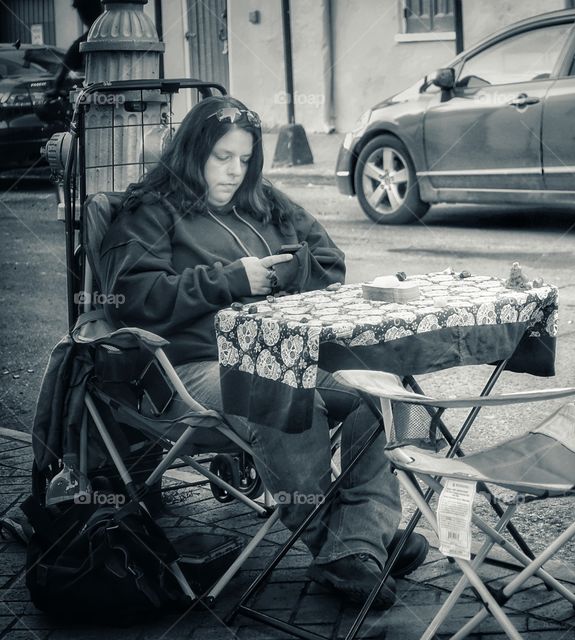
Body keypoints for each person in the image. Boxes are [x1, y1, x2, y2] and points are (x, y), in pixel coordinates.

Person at [98, 95, 426, 609]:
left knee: (382, 390)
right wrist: (229, 280)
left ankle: (362, 539)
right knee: (286, 394)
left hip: (288, 352)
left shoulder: (264, 201)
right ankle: (340, 545)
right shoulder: (151, 211)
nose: (234, 171)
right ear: (192, 154)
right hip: (191, 368)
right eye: (221, 158)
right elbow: (135, 299)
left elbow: (328, 261)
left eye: (245, 158)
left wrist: (284, 274)